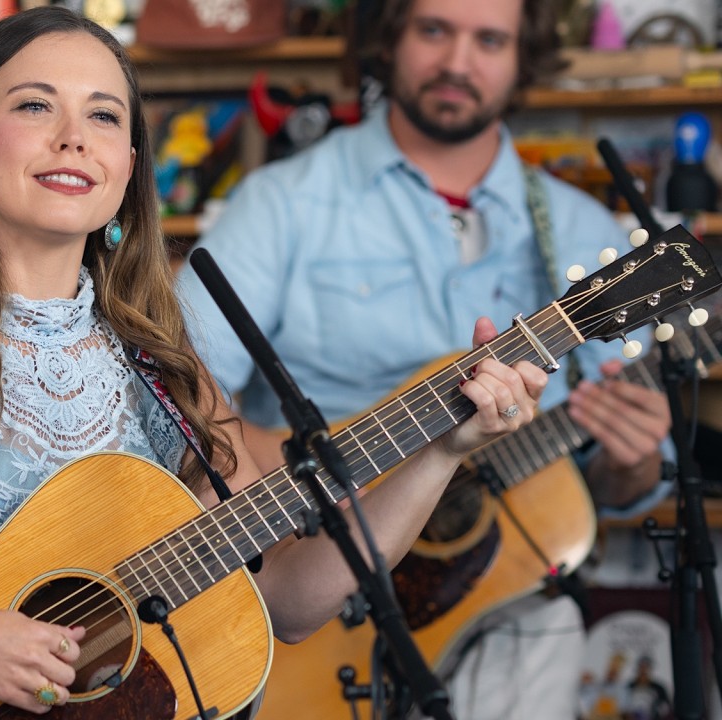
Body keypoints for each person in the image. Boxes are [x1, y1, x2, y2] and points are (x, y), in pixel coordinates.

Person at [0, 5, 546, 717]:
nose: (72, 137)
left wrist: (440, 451)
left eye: (103, 115)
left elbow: (288, 600)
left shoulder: (163, 371)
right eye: (33, 105)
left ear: (129, 165)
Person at [176, 0, 672, 718]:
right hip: (315, 593)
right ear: (392, 38)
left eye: (490, 39)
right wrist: (325, 475)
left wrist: (632, 462)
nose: (458, 62)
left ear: (522, 56)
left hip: (512, 604)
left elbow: (605, 487)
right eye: (435, 29)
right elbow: (175, 391)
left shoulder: (582, 233)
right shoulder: (284, 203)